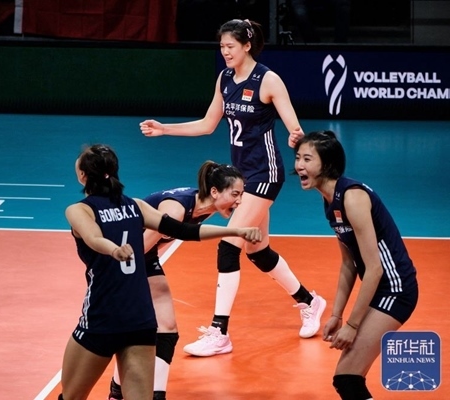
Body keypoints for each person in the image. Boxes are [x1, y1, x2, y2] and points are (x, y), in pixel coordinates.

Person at [139, 18, 325, 357]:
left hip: (266, 173)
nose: (225, 51)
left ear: (247, 46)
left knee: (228, 244)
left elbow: (294, 126)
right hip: (243, 177)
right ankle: (310, 302)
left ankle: (219, 332)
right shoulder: (225, 79)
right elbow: (208, 124)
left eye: (230, 46)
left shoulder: (268, 80)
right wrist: (165, 129)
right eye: (222, 46)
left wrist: (295, 137)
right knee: (258, 251)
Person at [59, 145, 262, 400]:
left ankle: (123, 391)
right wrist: (235, 231)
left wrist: (114, 250)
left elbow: (93, 238)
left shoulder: (78, 210)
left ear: (82, 175)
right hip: (140, 318)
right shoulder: (137, 206)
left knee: (71, 397)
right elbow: (184, 231)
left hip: (103, 316)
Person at [294, 130, 418, 400]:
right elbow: (349, 263)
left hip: (396, 290)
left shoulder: (353, 197)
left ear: (327, 164)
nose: (299, 165)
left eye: (307, 159)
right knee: (348, 379)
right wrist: (336, 315)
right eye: (298, 158)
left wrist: (352, 325)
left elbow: (374, 268)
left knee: (347, 378)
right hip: (381, 290)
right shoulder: (330, 200)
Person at [108, 161, 245, 400]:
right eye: (235, 194)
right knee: (134, 330)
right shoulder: (177, 210)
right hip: (122, 255)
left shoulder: (205, 208)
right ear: (214, 191)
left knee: (167, 329)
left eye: (241, 195)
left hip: (143, 254)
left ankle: (152, 395)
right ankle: (117, 393)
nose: (240, 201)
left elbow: (153, 246)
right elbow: (137, 249)